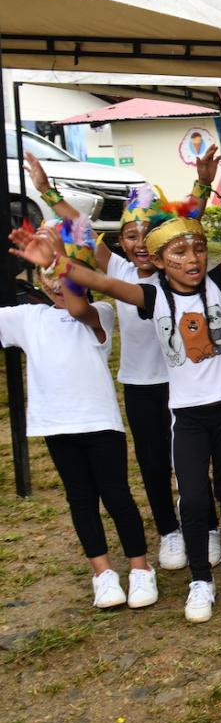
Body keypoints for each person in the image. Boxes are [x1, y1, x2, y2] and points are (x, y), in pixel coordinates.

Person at [44, 167, 221, 622]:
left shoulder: (218, 282)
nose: (193, 258)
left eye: (198, 248)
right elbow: (104, 283)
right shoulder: (152, 296)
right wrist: (59, 262)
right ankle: (200, 579)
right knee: (193, 494)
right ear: (161, 261)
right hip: (186, 414)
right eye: (179, 252)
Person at [24, 154, 221, 571]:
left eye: (149, 233)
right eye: (130, 235)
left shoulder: (175, 273)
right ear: (122, 242)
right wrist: (46, 191)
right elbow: (80, 226)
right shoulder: (117, 269)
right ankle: (169, 531)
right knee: (152, 463)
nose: (139, 242)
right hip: (139, 385)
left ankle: (205, 527)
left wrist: (202, 186)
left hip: (182, 384)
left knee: (189, 460)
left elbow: (187, 228)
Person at [3, 224, 156, 611]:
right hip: (57, 426)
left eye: (65, 272)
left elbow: (76, 307)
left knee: (117, 497)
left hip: (101, 425)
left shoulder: (100, 312)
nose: (57, 281)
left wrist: (59, 260)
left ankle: (140, 569)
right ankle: (103, 574)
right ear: (39, 280)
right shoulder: (27, 318)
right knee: (81, 500)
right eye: (48, 274)